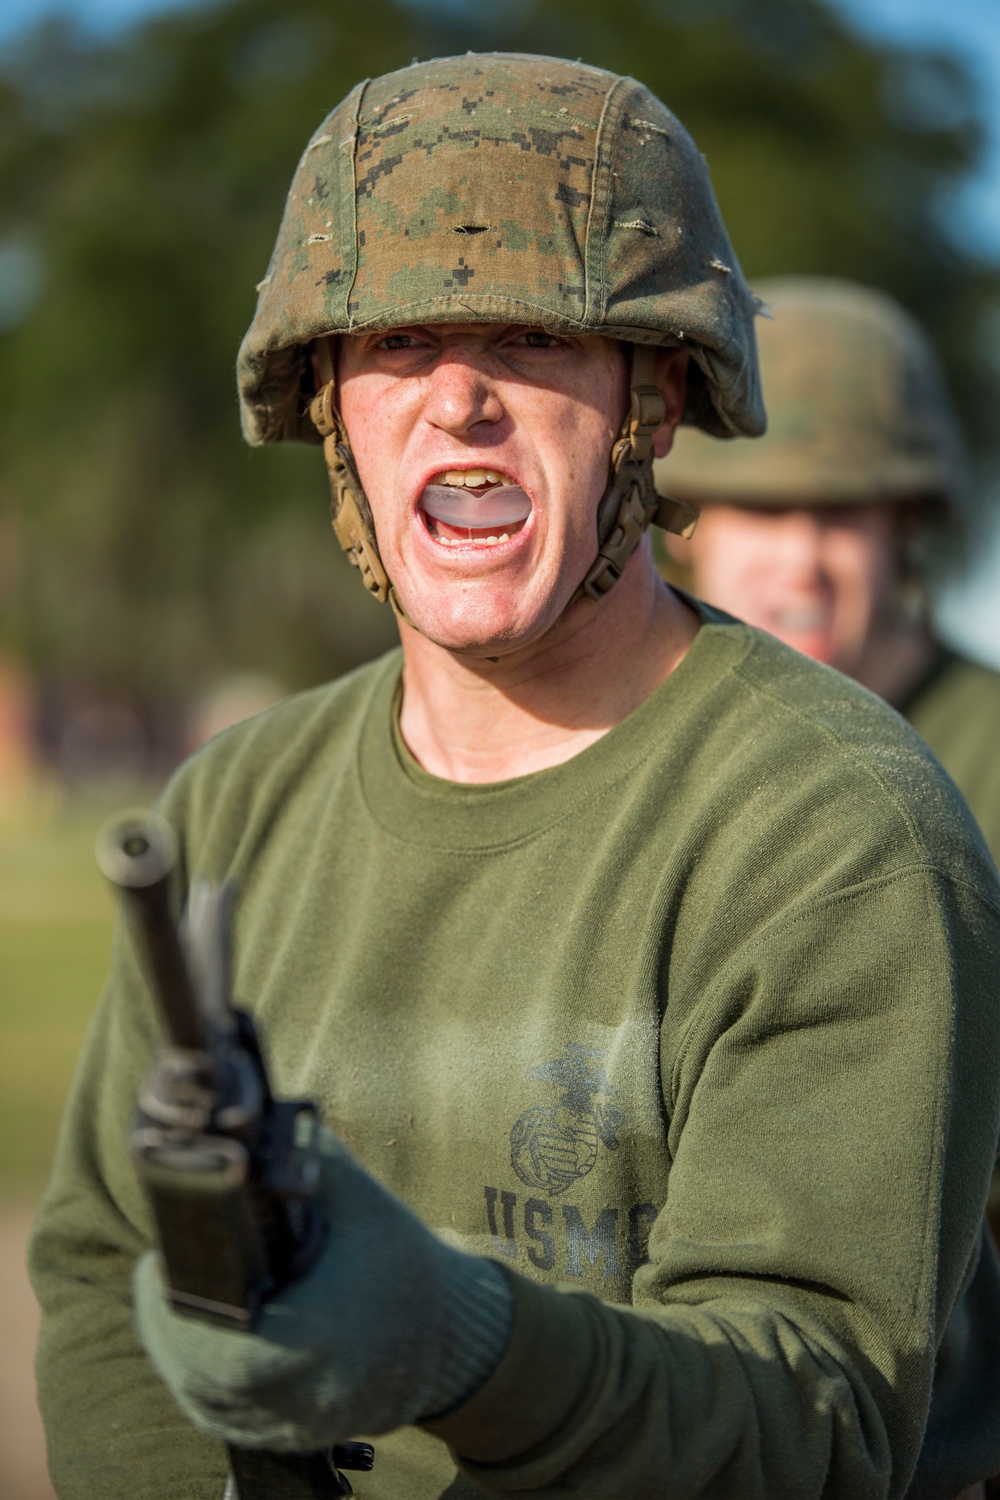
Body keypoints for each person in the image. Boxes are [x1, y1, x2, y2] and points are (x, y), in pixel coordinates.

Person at [29, 55, 1000, 1500]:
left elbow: (808, 1424)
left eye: (536, 337)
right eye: (397, 339)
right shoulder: (231, 809)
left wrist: (462, 1347)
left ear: (652, 403)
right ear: (329, 410)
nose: (459, 397)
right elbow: (107, 1269)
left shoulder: (839, 837)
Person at [657, 275, 1000, 866]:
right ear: (686, 520)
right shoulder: (619, 737)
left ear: (903, 524)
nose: (802, 559)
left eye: (842, 512)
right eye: (763, 508)